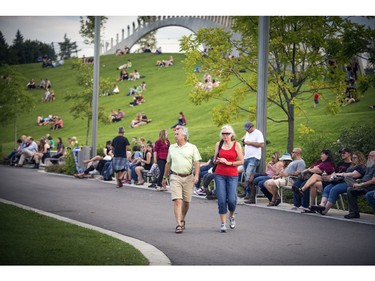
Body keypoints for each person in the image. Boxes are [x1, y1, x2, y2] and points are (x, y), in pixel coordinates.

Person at [161, 126, 201, 234]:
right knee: (178, 200)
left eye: (177, 134)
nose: (175, 136)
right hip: (175, 176)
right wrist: (164, 177)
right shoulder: (172, 148)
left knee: (186, 202)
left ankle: (182, 219)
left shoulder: (192, 147)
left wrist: (196, 175)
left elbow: (197, 162)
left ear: (184, 136)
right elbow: (168, 163)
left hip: (188, 177)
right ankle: (178, 224)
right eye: (175, 134)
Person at [311, 151, 366, 215]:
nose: (353, 159)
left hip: (350, 183)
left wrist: (342, 174)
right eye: (353, 158)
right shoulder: (351, 166)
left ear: (360, 158)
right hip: (341, 181)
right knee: (327, 188)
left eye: (355, 158)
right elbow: (337, 172)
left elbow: (355, 175)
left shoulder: (361, 166)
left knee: (334, 190)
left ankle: (325, 210)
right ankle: (321, 205)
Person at [213, 125, 244, 232]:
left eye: (227, 133)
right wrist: (217, 161)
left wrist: (228, 162)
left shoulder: (236, 145)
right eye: (223, 134)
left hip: (232, 175)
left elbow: (241, 161)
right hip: (219, 174)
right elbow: (214, 159)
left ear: (232, 135)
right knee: (221, 199)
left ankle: (232, 216)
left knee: (231, 199)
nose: (225, 135)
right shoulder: (219, 144)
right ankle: (223, 223)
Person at [344, 151, 375, 219]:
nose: (370, 157)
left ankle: (356, 186)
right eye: (369, 156)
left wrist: (361, 184)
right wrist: (359, 181)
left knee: (352, 189)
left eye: (372, 156)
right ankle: (354, 213)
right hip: (363, 184)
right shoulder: (369, 166)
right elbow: (365, 177)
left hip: (370, 187)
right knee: (349, 187)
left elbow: (373, 181)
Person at [242, 121, 265, 204]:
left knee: (249, 174)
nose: (247, 131)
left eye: (248, 129)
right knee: (246, 174)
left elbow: (261, 145)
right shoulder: (247, 133)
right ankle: (248, 193)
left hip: (254, 157)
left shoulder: (258, 133)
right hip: (247, 156)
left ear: (252, 127)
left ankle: (250, 195)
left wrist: (250, 143)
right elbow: (245, 140)